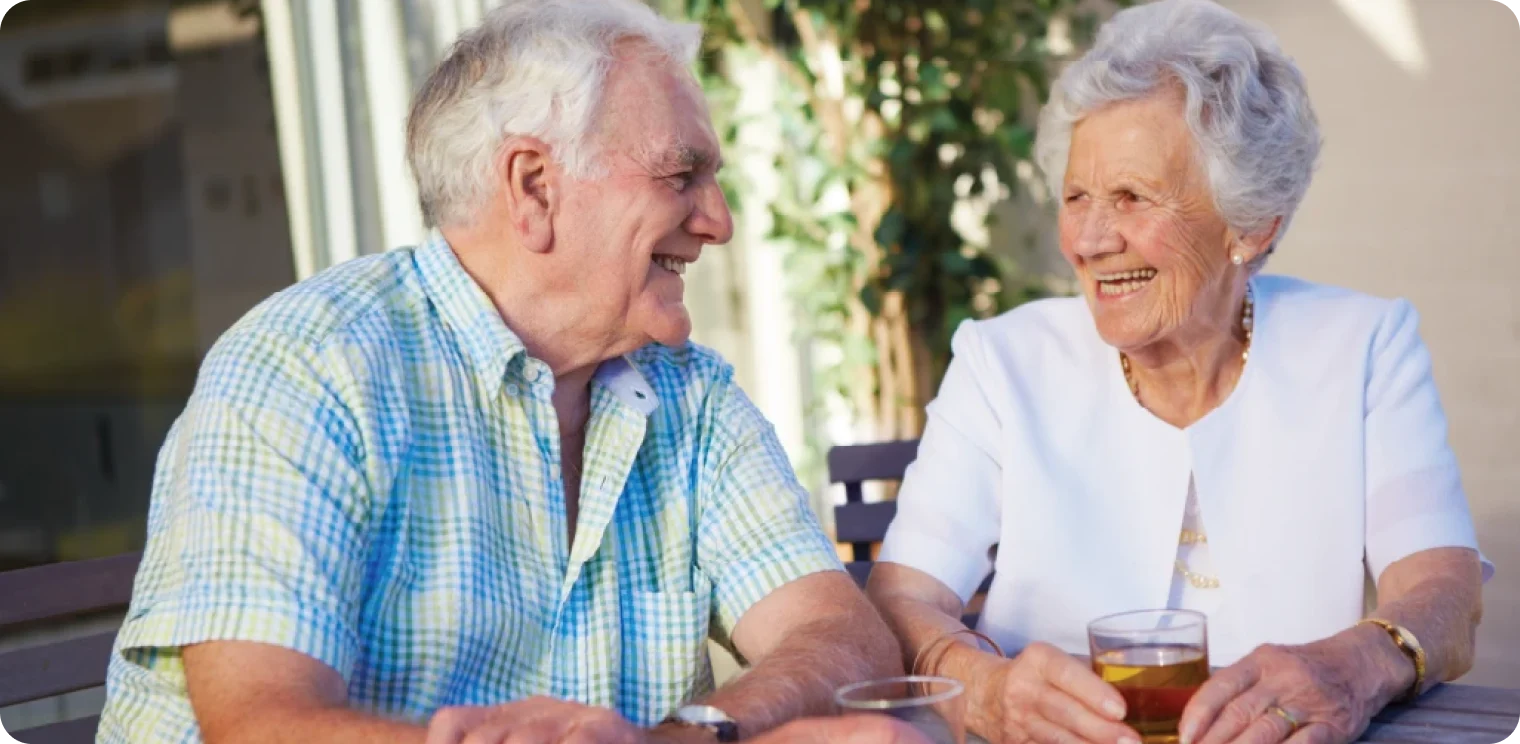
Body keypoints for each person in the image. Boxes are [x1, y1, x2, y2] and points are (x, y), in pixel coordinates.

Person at [96, 1, 902, 741]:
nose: (718, 221)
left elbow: (844, 639)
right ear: (534, 187)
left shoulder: (688, 393)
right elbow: (263, 725)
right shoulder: (307, 367)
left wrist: (687, 735)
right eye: (679, 175)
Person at [865, 2, 1490, 744]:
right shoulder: (1002, 362)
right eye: (1076, 197)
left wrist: (1352, 669)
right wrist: (981, 689)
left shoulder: (1363, 346)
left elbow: (1443, 591)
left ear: (1250, 225)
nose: (1092, 239)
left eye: (1132, 197)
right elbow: (900, 597)